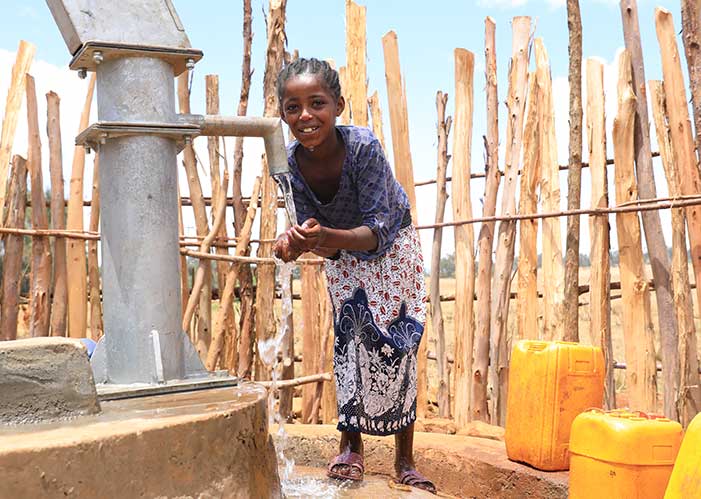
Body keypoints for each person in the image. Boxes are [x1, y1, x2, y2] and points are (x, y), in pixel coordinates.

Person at [273, 57, 435, 494]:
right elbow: (304, 230)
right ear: (282, 114)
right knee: (350, 339)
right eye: (293, 107)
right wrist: (292, 244)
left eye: (317, 103)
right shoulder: (288, 165)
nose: (305, 115)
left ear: (338, 105)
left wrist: (323, 236)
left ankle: (404, 459)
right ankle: (351, 447)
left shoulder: (363, 147)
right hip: (342, 250)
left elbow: (378, 229)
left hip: (392, 247)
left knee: (398, 344)